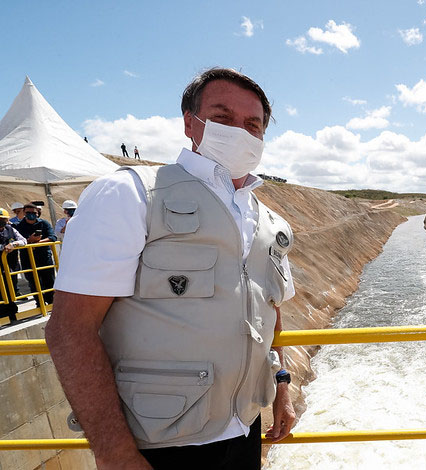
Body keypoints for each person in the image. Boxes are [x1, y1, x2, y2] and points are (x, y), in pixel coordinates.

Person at [45, 67, 296, 470]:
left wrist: (281, 386)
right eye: (222, 117)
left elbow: (271, 314)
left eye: (253, 124)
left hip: (244, 428)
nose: (240, 132)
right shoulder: (131, 195)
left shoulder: (269, 222)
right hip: (159, 446)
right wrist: (115, 453)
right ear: (189, 123)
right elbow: (70, 328)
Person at [14, 204, 56, 306]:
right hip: (27, 258)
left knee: (49, 281)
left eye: (34, 213)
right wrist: (29, 241)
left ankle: (51, 302)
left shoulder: (44, 223)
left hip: (44, 257)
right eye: (28, 213)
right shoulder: (18, 226)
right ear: (24, 213)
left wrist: (38, 242)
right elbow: (19, 240)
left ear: (37, 213)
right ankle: (40, 303)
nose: (31, 215)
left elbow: (52, 237)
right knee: (34, 282)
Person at [0, 209, 26, 323]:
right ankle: (3, 316)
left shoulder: (11, 230)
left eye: (3, 220)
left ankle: (12, 314)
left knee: (11, 290)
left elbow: (23, 241)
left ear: (7, 220)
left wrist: (13, 244)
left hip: (11, 267)